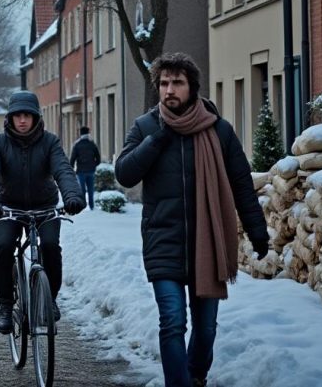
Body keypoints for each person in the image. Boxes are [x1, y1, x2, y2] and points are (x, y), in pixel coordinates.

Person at [114, 53, 269, 387]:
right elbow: (125, 174)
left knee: (206, 328)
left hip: (207, 242)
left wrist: (258, 232)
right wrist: (156, 141)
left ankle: (196, 375)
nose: (170, 89)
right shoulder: (145, 127)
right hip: (163, 240)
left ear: (192, 87)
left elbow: (241, 183)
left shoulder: (219, 130)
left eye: (178, 83)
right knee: (172, 321)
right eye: (165, 83)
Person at [0, 90, 86, 334]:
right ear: (10, 118)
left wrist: (72, 195)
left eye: (28, 115)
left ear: (37, 117)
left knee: (50, 246)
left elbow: (63, 170)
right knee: (4, 247)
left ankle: (50, 299)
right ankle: (5, 304)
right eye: (18, 115)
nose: (23, 120)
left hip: (44, 207)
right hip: (7, 207)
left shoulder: (50, 142)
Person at [69, 126, 102, 211]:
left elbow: (72, 158)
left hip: (81, 171)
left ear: (80, 134)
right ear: (88, 134)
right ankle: (91, 206)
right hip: (91, 170)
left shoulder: (77, 144)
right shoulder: (92, 144)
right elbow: (98, 157)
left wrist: (71, 168)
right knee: (91, 189)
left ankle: (83, 205)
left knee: (82, 189)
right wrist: (94, 165)